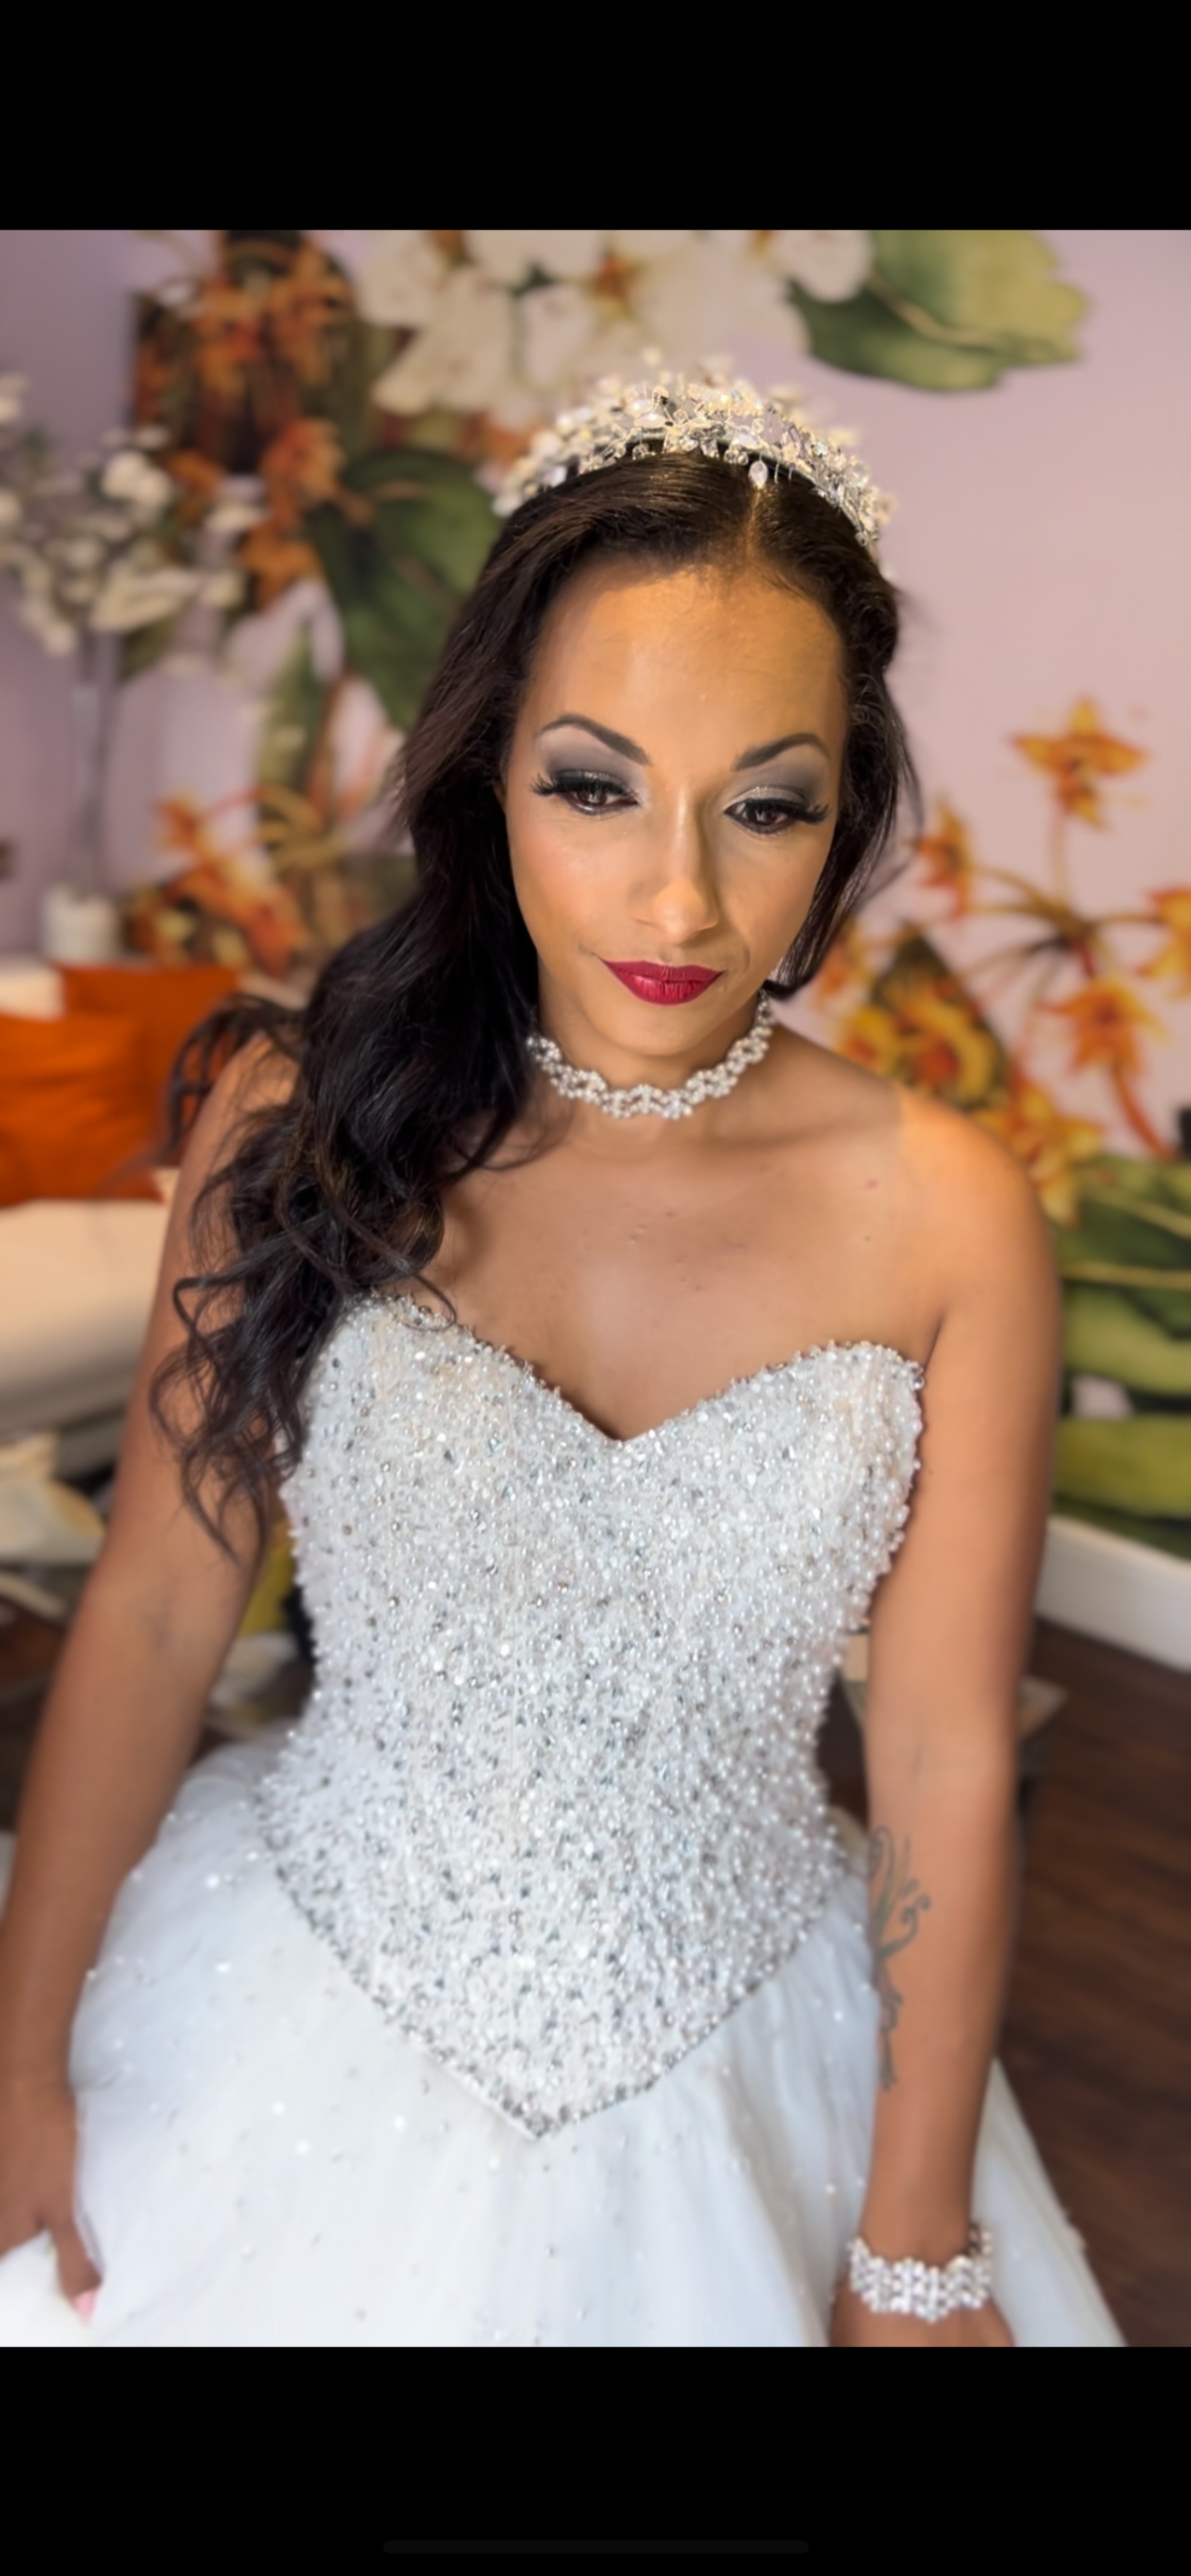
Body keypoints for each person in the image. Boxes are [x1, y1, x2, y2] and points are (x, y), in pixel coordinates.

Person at [0, 378, 1123, 2347]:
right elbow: (163, 1610)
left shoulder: (949, 1217)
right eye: (596, 786)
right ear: (489, 772)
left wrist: (913, 2236)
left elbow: (946, 1753)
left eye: (765, 804)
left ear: (845, 813)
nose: (680, 898)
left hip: (750, 2029)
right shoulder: (298, 1119)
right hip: (284, 1994)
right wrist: (20, 2053)